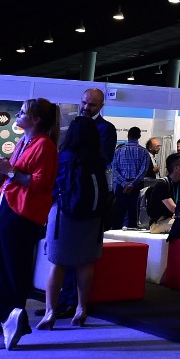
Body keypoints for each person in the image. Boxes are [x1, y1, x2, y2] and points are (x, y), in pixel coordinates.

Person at [0, 98, 60, 351]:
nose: (18, 115)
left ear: (36, 119)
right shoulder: (25, 141)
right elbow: (17, 174)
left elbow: (41, 184)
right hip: (8, 207)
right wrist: (1, 169)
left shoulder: (44, 145)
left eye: (23, 112)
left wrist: (9, 171)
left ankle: (2, 325)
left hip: (21, 213)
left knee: (4, 270)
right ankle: (8, 320)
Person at [39, 116, 107, 330]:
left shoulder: (63, 157)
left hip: (63, 215)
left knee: (57, 263)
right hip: (92, 217)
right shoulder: (98, 160)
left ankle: (50, 312)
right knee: (85, 263)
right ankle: (81, 308)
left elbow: (51, 185)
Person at [110, 126, 152, 228]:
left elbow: (114, 169)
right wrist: (132, 184)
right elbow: (144, 170)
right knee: (134, 214)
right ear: (139, 136)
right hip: (136, 186)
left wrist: (124, 183)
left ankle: (115, 234)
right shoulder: (144, 152)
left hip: (121, 186)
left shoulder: (118, 151)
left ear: (128, 135)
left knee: (118, 214)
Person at [147, 153, 180, 233]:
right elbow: (173, 208)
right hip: (158, 223)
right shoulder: (162, 184)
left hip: (173, 219)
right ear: (176, 168)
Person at [78, 88, 117, 166]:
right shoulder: (75, 124)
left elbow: (104, 159)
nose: (86, 107)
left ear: (101, 106)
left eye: (92, 105)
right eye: (84, 103)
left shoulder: (106, 128)